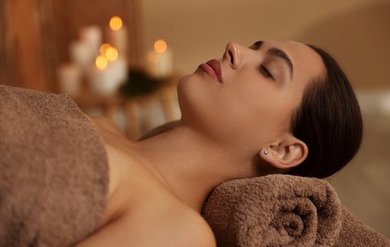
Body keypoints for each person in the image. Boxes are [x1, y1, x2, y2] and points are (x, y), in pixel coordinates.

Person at [76, 40, 362, 246]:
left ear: (282, 150)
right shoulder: (103, 124)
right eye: (254, 46)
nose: (234, 47)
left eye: (267, 70)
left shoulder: (177, 231)